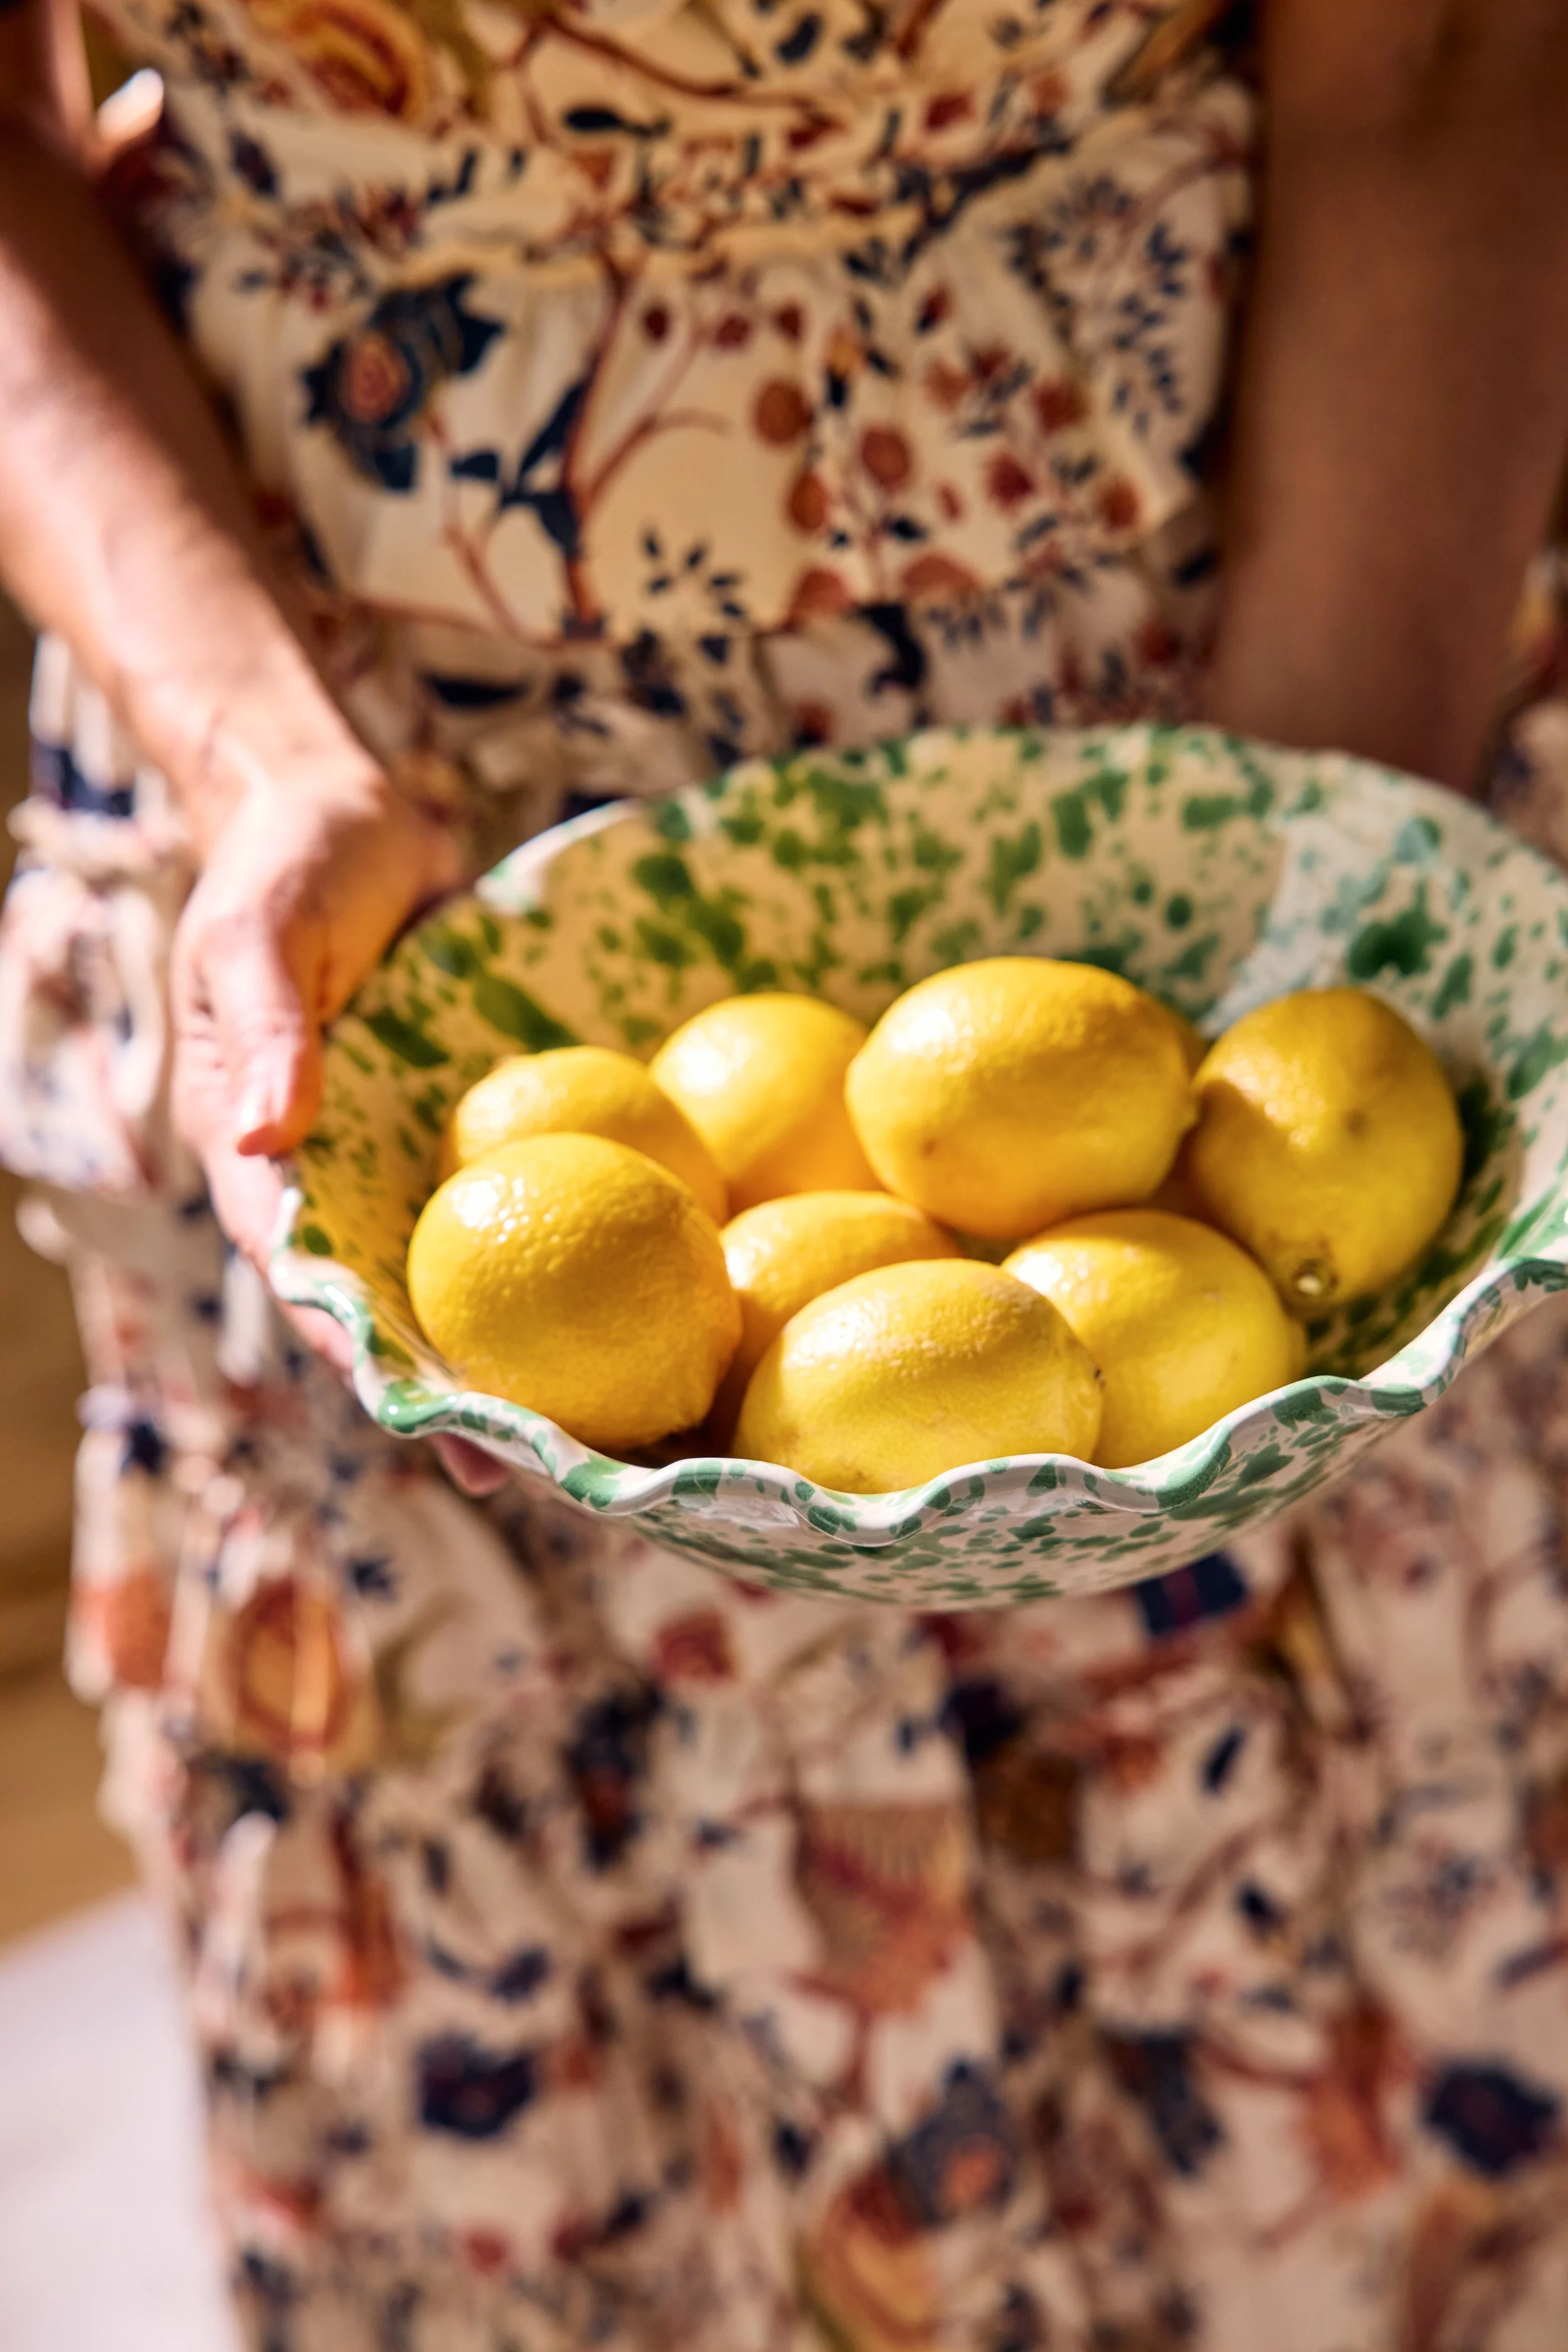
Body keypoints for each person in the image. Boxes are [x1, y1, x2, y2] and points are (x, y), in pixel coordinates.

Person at [3, 0, 1568, 2343]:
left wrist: (1275, 885)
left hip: (1203, 691)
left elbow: (1437, 54)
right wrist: (256, 754)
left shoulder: (1227, 957)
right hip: (386, 874)